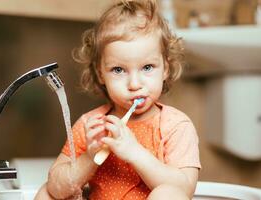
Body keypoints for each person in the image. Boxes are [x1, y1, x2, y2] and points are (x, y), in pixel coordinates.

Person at [35, 0, 201, 199]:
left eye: (147, 67)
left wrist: (134, 152)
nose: (134, 84)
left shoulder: (175, 126)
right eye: (118, 70)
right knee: (47, 192)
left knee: (170, 193)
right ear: (101, 73)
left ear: (165, 68)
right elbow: (57, 187)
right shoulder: (92, 126)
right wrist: (89, 157)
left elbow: (184, 189)